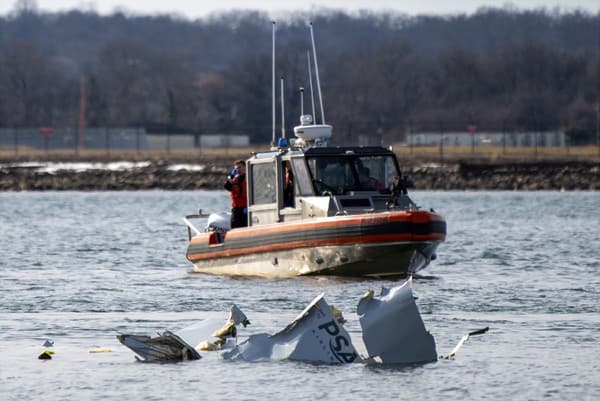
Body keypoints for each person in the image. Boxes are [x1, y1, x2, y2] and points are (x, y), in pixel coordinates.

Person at [224, 160, 248, 228]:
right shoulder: (234, 180)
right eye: (236, 168)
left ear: (245, 167)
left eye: (239, 167)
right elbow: (227, 186)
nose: (238, 170)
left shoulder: (248, 178)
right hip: (236, 209)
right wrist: (231, 176)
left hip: (246, 208)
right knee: (235, 226)